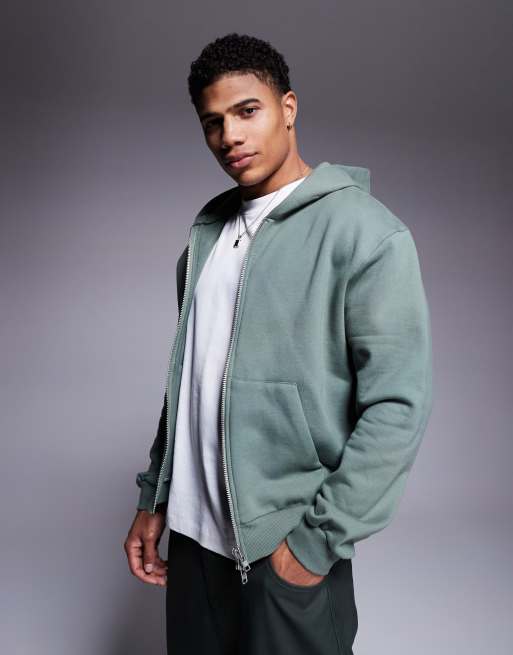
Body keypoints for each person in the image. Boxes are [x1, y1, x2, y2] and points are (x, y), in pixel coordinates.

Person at [124, 32, 433, 655]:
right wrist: (154, 496)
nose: (230, 137)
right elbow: (189, 379)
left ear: (287, 108)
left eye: (247, 111)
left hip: (284, 546)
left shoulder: (364, 234)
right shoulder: (205, 240)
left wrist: (314, 545)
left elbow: (398, 407)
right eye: (213, 123)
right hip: (193, 545)